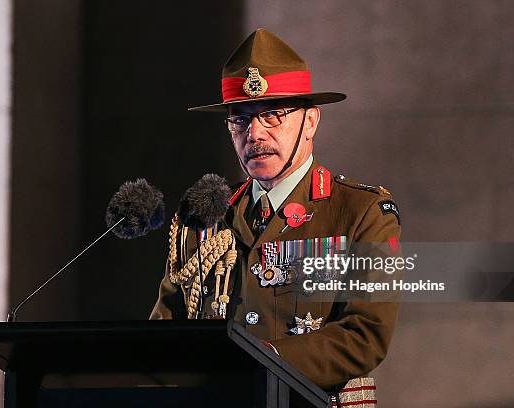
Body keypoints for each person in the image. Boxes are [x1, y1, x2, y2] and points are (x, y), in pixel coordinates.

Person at [150, 28, 401, 405]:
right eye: (241, 119)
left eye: (273, 115)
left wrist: (260, 362)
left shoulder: (359, 212)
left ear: (310, 122)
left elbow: (365, 335)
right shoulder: (203, 217)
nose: (255, 133)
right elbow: (162, 337)